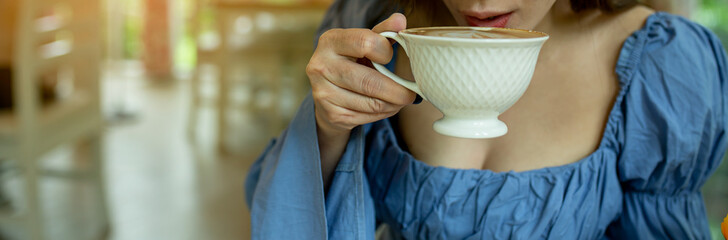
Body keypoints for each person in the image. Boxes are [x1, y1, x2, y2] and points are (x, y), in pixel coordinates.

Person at [245, 0, 728, 239]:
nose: (477, 1)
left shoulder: (658, 63)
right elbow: (290, 213)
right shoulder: (374, 26)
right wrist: (329, 128)